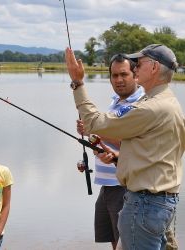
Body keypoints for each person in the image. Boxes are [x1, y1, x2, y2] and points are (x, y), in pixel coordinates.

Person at [66, 44, 184, 250]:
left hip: (145, 204)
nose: (136, 67)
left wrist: (77, 82)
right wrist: (119, 158)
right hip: (158, 202)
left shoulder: (151, 108)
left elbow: (94, 122)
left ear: (155, 67)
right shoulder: (169, 102)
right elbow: (154, 153)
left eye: (140, 62)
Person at [76, 54, 145, 249]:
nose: (119, 80)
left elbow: (134, 145)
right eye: (114, 75)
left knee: (127, 242)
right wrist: (92, 136)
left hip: (124, 186)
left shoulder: (140, 104)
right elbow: (109, 139)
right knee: (114, 240)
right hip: (107, 184)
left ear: (136, 75)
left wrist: (96, 130)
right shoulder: (116, 102)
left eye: (124, 74)